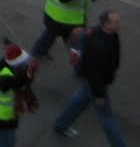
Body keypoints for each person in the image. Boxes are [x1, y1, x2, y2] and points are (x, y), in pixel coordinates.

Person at [50, 9, 126, 145]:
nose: (119, 24)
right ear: (106, 24)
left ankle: (61, 124)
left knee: (80, 100)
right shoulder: (98, 46)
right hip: (96, 84)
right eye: (116, 22)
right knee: (106, 117)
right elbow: (95, 75)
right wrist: (99, 96)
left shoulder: (108, 34)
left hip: (92, 81)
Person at [0, 43, 37, 147]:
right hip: (3, 116)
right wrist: (28, 75)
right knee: (7, 138)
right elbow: (18, 82)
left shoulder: (0, 67)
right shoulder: (8, 77)